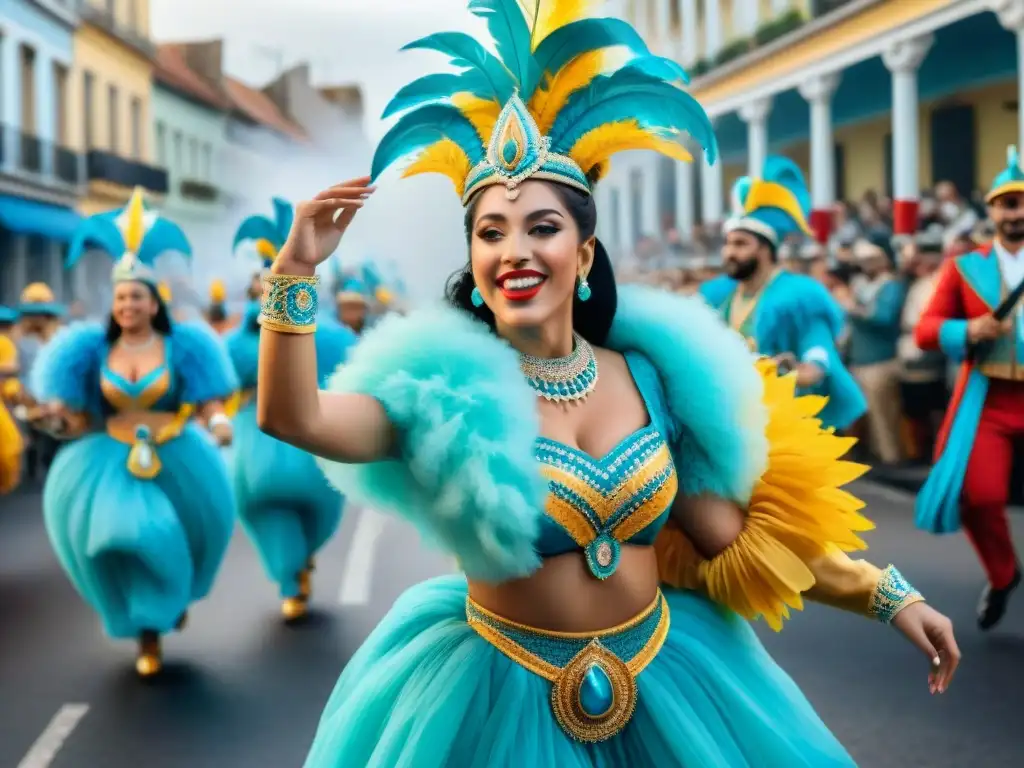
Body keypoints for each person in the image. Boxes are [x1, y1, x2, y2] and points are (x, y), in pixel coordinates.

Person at [259, 3, 959, 764]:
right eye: (490, 232)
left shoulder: (655, 381)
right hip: (496, 696)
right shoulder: (444, 392)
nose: (514, 251)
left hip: (669, 682)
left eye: (541, 228)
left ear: (585, 256)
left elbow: (734, 537)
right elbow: (295, 419)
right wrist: (294, 273)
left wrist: (889, 597)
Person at [28, 187, 239, 677]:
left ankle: (168, 602)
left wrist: (220, 422)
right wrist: (55, 420)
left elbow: (207, 400)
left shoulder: (185, 344)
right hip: (112, 459)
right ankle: (148, 627)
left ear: (153, 303)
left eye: (136, 297)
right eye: (121, 297)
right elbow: (78, 417)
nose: (127, 305)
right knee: (132, 533)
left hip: (177, 456)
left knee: (182, 533)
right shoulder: (89, 350)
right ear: (114, 303)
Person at [225, 199, 358, 620]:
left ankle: (302, 557)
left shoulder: (331, 335)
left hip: (310, 432)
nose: (266, 286)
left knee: (319, 505)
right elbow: (222, 382)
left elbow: (343, 375)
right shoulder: (235, 342)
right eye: (263, 281)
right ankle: (289, 576)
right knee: (262, 504)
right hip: (256, 435)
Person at [915, 146, 1024, 630]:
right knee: (978, 497)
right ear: (993, 210)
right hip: (990, 400)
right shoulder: (963, 268)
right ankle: (1003, 575)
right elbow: (925, 329)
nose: (1016, 212)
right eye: (1008, 203)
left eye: (1022, 202)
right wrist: (966, 332)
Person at [700, 158, 867, 432]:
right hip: (729, 422)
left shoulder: (799, 295)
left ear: (766, 249)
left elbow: (817, 348)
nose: (729, 252)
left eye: (741, 244)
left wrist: (803, 369)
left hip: (779, 426)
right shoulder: (718, 296)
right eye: (728, 243)